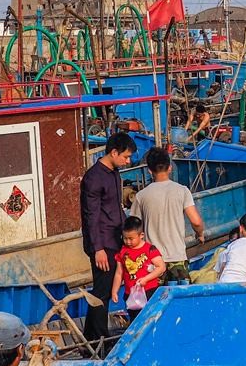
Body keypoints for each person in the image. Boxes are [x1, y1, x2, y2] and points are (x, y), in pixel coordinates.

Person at [81, 132, 137, 339]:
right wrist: (98, 249)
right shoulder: (94, 178)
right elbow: (91, 216)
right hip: (103, 243)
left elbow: (116, 208)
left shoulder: (114, 172)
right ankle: (98, 340)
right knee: (102, 292)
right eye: (125, 156)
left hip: (116, 238)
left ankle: (92, 335)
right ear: (114, 152)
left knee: (104, 289)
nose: (127, 161)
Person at [131, 147, 206, 283]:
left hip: (152, 262)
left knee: (155, 302)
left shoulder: (141, 196)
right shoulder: (182, 191)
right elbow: (196, 222)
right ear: (170, 168)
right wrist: (200, 234)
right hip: (177, 258)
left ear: (149, 170)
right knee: (180, 302)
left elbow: (134, 227)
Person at [112, 217, 166, 320]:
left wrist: (146, 279)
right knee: (135, 320)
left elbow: (161, 267)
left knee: (151, 318)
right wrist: (115, 291)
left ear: (141, 235)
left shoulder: (149, 249)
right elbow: (119, 273)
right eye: (125, 238)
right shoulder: (122, 252)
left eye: (131, 239)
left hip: (149, 291)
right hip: (131, 294)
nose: (128, 242)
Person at [217, 213, 246, 283]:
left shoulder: (232, 244)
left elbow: (223, 265)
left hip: (224, 281)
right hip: (243, 284)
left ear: (240, 228)